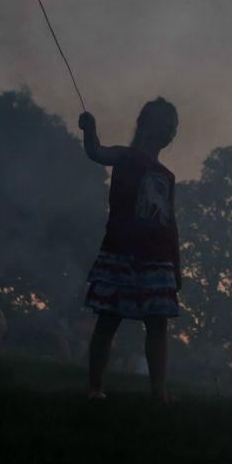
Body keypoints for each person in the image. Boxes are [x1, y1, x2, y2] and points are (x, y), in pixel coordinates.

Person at [78, 99, 181, 403]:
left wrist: (177, 265)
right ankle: (96, 387)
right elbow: (96, 152)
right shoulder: (124, 157)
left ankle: (159, 391)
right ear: (146, 124)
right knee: (108, 320)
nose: (167, 133)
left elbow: (170, 223)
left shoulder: (167, 176)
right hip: (121, 252)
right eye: (164, 125)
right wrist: (90, 130)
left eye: (171, 128)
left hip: (156, 259)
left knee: (158, 323)